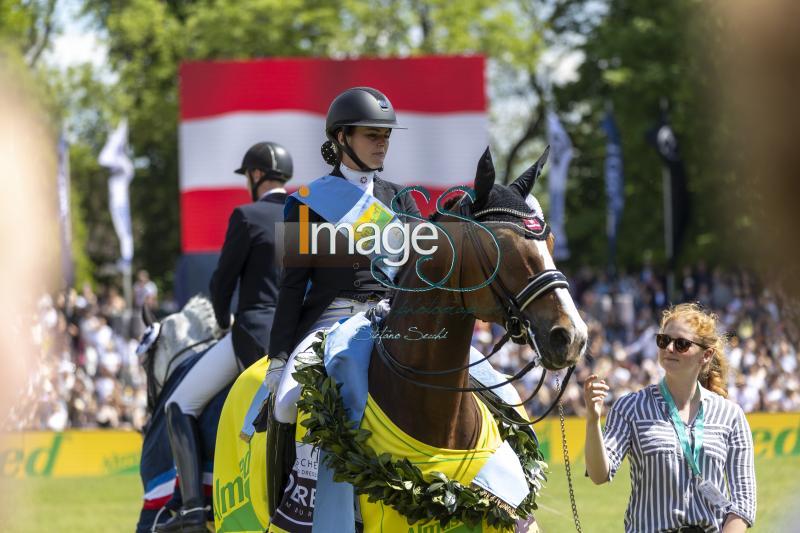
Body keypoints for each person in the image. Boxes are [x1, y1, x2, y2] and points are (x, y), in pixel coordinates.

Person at [155, 142, 292, 533]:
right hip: (297, 337)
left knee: (179, 404)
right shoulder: (306, 217)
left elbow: (222, 282)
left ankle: (194, 508)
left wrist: (220, 320)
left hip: (252, 333)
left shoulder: (246, 216)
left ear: (255, 176)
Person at [266, 86, 421, 425]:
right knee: (286, 405)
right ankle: (291, 480)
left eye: (386, 136)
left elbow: (420, 271)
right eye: (372, 135)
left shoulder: (402, 200)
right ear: (342, 137)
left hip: (392, 321)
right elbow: (292, 287)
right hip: (329, 320)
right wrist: (278, 356)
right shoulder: (307, 203)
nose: (382, 143)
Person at [584, 303, 756, 533]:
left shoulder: (731, 415)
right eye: (664, 341)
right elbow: (599, 474)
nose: (670, 348)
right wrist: (593, 421)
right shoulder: (630, 407)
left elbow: (743, 502)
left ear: (706, 355)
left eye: (682, 344)